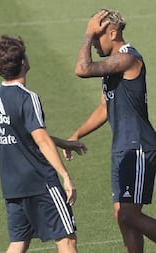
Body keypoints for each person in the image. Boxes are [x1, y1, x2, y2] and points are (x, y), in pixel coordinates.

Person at [66, 9, 156, 252]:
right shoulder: (112, 68)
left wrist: (87, 34)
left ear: (113, 33)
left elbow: (82, 69)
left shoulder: (128, 59)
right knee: (123, 216)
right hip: (122, 148)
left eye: (97, 37)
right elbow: (105, 107)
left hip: (137, 147)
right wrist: (78, 133)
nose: (94, 43)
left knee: (128, 215)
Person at [0, 35, 86, 253]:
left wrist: (62, 143)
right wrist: (65, 175)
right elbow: (40, 139)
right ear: (23, 62)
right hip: (40, 182)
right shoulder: (27, 97)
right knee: (67, 239)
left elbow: (24, 135)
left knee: (18, 243)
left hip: (13, 186)